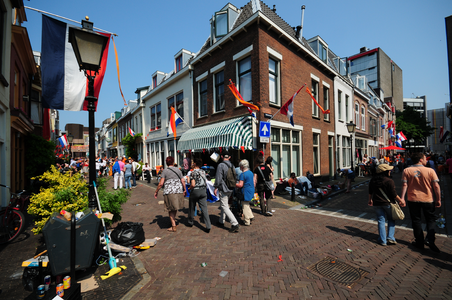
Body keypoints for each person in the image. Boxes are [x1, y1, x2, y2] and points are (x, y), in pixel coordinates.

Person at [401, 152, 441, 252]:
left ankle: (419, 242)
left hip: (413, 199)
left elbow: (404, 185)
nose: (426, 160)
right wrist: (438, 199)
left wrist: (402, 198)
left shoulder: (407, 170)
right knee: (430, 220)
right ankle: (430, 239)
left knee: (416, 220)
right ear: (420, 160)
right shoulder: (430, 170)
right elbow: (436, 186)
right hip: (427, 199)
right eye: (425, 158)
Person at [368, 164, 405, 246]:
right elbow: (393, 194)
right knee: (391, 219)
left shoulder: (373, 180)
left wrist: (370, 200)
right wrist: (401, 201)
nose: (390, 171)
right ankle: (390, 238)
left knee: (381, 220)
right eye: (389, 170)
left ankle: (382, 240)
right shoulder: (389, 181)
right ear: (384, 172)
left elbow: (370, 191)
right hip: (388, 203)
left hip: (377, 203)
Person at [154, 156, 186, 232]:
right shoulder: (178, 170)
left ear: (166, 162)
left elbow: (161, 183)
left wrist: (156, 191)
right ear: (173, 162)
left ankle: (173, 226)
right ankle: (174, 222)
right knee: (174, 207)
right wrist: (184, 189)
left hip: (169, 191)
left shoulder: (165, 171)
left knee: (170, 208)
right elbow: (183, 181)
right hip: (178, 191)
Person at [214, 150, 240, 233]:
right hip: (231, 188)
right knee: (224, 204)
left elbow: (218, 178)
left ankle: (235, 223)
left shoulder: (221, 165)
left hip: (224, 188)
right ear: (229, 157)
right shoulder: (232, 165)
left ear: (222, 157)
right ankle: (221, 220)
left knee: (224, 206)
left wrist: (216, 187)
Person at [188, 158, 211, 233]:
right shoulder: (203, 172)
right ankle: (208, 225)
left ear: (194, 164)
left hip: (195, 191)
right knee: (204, 209)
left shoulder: (192, 173)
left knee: (192, 206)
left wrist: (189, 188)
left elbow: (193, 184)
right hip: (203, 190)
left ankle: (191, 221)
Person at [235, 159, 254, 226]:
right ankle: (251, 216)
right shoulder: (251, 172)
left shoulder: (242, 175)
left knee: (244, 206)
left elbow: (240, 185)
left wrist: (233, 184)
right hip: (251, 190)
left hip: (245, 192)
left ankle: (247, 221)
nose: (239, 167)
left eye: (240, 166)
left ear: (242, 166)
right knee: (247, 204)